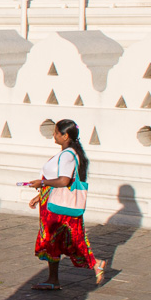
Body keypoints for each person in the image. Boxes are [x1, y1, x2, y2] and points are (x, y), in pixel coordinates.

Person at [22, 119, 107, 289]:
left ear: (65, 135)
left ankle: (92, 263)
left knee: (56, 239)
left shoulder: (67, 155)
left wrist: (42, 184)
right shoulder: (68, 154)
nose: (54, 135)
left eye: (56, 132)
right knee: (60, 240)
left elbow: (64, 180)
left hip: (57, 208)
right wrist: (41, 195)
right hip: (52, 200)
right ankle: (53, 280)